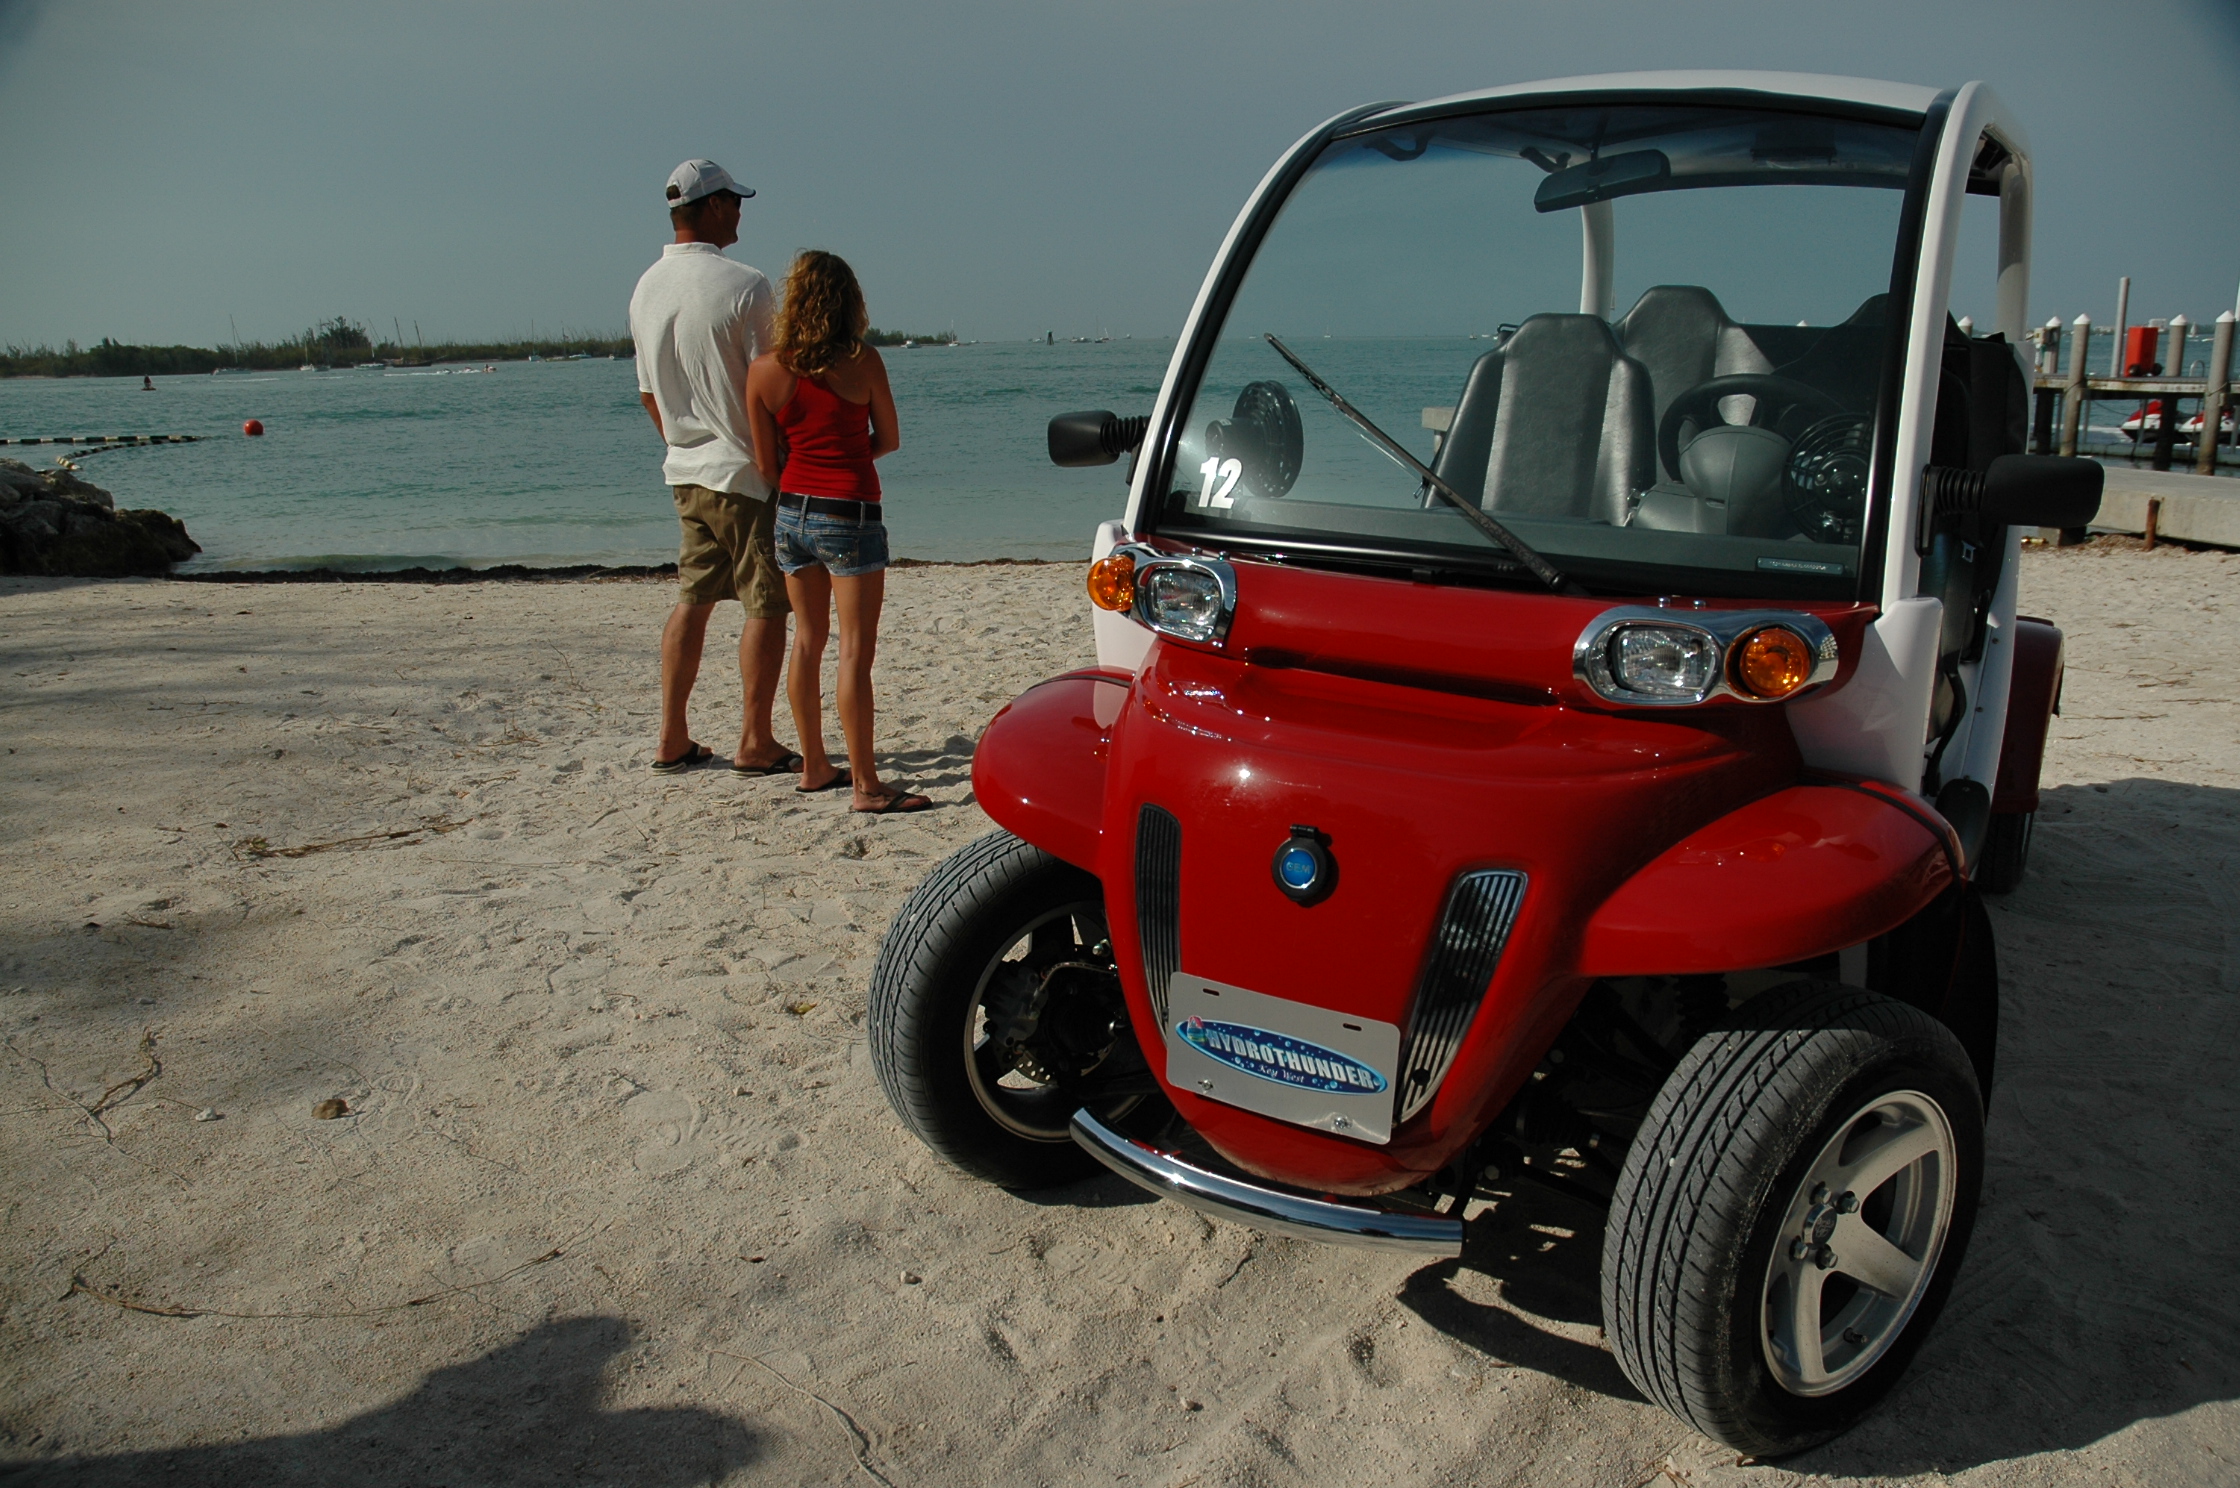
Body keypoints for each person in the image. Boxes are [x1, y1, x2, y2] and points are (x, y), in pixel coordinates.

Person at [627, 157, 801, 777]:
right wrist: (776, 461)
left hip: (685, 469)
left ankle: (671, 736)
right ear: (711, 207)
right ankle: (755, 738)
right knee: (766, 604)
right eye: (733, 200)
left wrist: (680, 443)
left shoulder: (645, 287)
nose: (741, 210)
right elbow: (770, 384)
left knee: (693, 599)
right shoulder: (745, 284)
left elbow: (649, 393)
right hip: (744, 471)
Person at [745, 251, 928, 814]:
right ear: (849, 303)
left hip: (791, 512)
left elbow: (766, 467)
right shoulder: (863, 361)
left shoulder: (765, 370)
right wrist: (851, 460)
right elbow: (890, 437)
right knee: (854, 653)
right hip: (848, 513)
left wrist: (807, 473)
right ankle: (868, 787)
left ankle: (814, 765)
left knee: (808, 640)